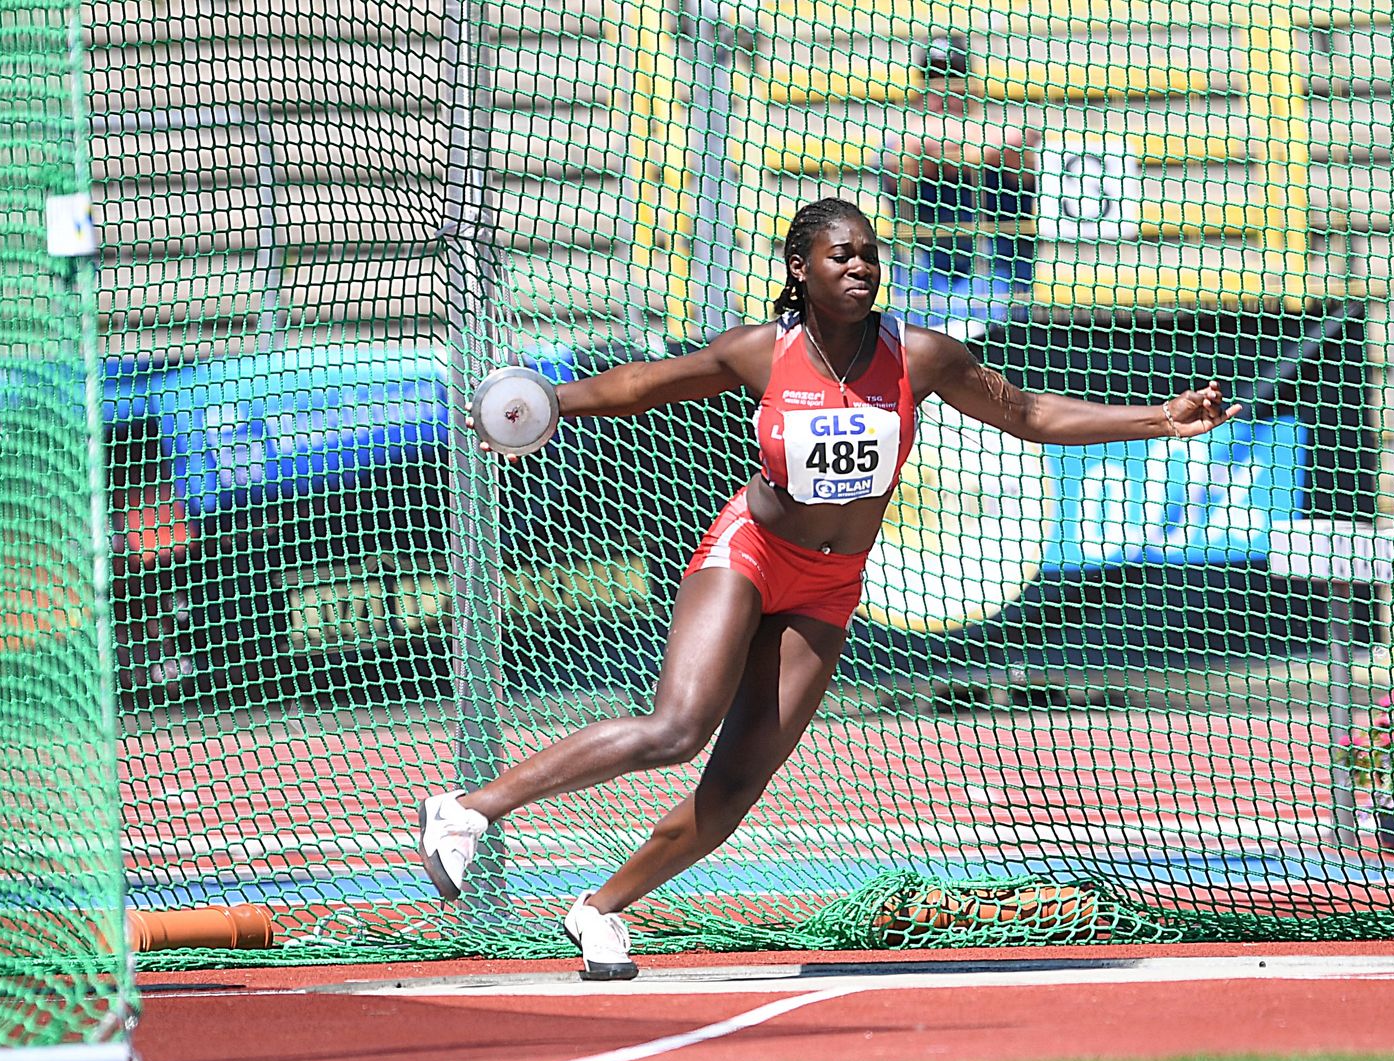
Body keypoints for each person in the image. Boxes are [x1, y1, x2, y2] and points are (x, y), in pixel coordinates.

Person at [420, 196, 1237, 980]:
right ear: (799, 267)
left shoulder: (918, 355)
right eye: (841, 255)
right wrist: (545, 404)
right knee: (677, 728)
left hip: (830, 583)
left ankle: (599, 908)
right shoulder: (760, 351)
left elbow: (1028, 414)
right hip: (752, 551)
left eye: (870, 256)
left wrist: (1161, 418)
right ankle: (471, 808)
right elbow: (643, 384)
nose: (860, 268)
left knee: (734, 787)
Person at [878, 33, 1042, 284]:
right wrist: (976, 149)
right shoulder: (902, 143)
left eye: (953, 77)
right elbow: (910, 148)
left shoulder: (1004, 137)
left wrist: (958, 149)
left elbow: (1019, 141)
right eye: (934, 78)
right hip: (927, 285)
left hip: (999, 284)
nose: (944, 89)